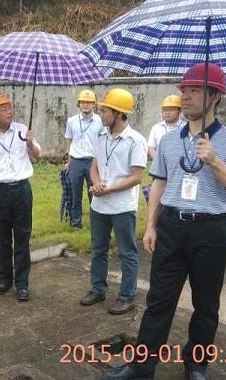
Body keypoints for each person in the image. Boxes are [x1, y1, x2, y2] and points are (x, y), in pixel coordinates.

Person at [101, 63, 226, 380]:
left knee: (206, 305)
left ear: (215, 96)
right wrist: (151, 225)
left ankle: (196, 365)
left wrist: (215, 161)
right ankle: (142, 367)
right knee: (158, 301)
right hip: (171, 226)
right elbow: (159, 183)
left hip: (211, 229)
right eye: (183, 89)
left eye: (194, 90)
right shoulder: (170, 141)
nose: (185, 96)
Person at [79, 88, 147, 315]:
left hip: (122, 206)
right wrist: (97, 183)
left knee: (127, 252)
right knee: (98, 248)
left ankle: (127, 296)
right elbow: (94, 165)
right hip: (99, 204)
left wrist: (108, 189)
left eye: (105, 111)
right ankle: (98, 288)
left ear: (118, 113)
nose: (101, 114)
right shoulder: (100, 135)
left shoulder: (135, 140)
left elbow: (137, 177)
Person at [0, 90, 42, 301]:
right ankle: (5, 279)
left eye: (9, 107)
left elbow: (37, 156)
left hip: (22, 189)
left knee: (22, 236)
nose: (9, 112)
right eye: (3, 109)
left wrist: (30, 143)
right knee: (2, 238)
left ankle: (22, 284)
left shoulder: (22, 130)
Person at [64, 89, 104, 229]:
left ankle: (96, 222)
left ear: (94, 104)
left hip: (93, 161)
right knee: (75, 193)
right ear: (78, 104)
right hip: (76, 160)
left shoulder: (100, 121)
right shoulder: (71, 121)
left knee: (94, 193)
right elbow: (69, 141)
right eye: (83, 102)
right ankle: (76, 223)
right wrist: (68, 161)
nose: (86, 105)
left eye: (89, 102)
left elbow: (103, 141)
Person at [147, 94, 185, 159]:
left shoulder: (185, 127)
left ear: (180, 111)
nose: (168, 113)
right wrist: (158, 161)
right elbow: (151, 147)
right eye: (165, 110)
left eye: (171, 110)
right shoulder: (156, 128)